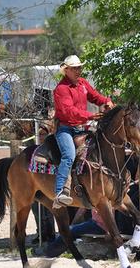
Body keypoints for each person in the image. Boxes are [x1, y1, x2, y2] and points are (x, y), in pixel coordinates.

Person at [34, 55, 114, 209]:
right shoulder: (61, 89)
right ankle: (60, 192)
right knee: (69, 155)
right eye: (75, 68)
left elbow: (94, 96)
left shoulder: (82, 83)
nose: (79, 70)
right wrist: (89, 115)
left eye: (79, 67)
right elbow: (69, 111)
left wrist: (105, 101)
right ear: (67, 70)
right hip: (65, 129)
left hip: (81, 128)